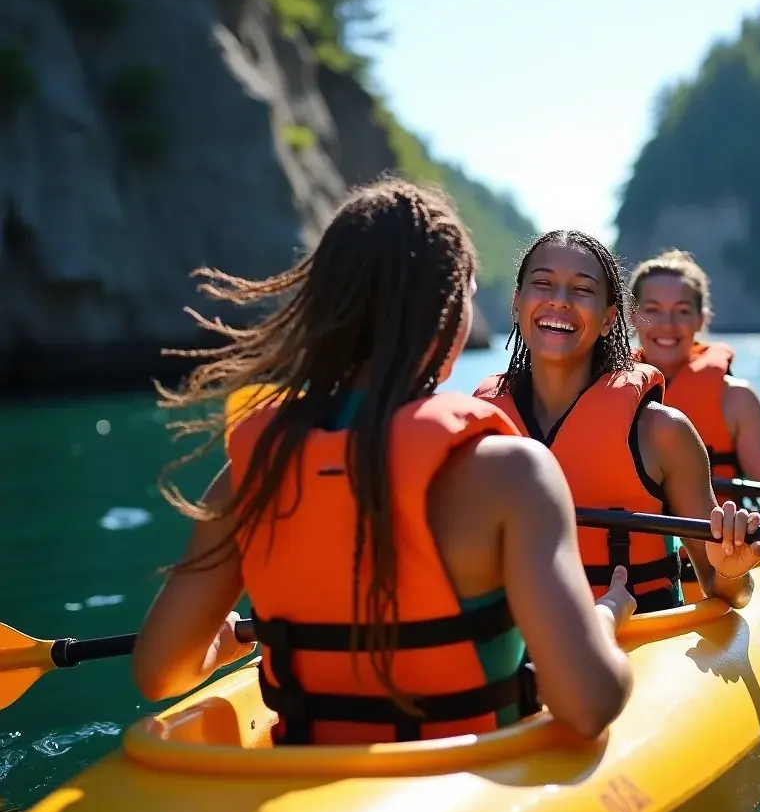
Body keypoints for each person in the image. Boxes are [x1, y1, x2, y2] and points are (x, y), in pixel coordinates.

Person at [131, 180, 635, 746]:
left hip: (303, 773)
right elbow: (587, 705)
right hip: (459, 784)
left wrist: (222, 644)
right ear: (450, 315)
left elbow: (159, 673)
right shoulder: (512, 471)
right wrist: (606, 614)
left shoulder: (253, 470)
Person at [474, 230, 760, 615]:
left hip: (641, 637)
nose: (559, 301)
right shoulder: (480, 427)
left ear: (609, 318)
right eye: (542, 284)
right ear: (516, 304)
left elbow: (728, 593)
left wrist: (730, 571)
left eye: (582, 290)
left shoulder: (662, 432)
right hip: (517, 638)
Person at [629, 249, 760, 528]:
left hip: (715, 545)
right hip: (631, 547)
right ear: (633, 317)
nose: (668, 325)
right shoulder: (605, 391)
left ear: (700, 320)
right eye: (653, 310)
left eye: (682, 311)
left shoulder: (736, 401)